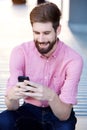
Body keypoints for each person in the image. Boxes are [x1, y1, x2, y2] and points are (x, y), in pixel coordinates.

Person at [0, 2, 83, 130]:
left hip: (57, 111)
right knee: (4, 120)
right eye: (36, 33)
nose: (41, 39)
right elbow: (12, 107)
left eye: (46, 33)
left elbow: (64, 115)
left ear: (58, 30)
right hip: (29, 110)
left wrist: (50, 95)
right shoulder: (20, 52)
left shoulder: (73, 60)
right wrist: (12, 97)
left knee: (65, 128)